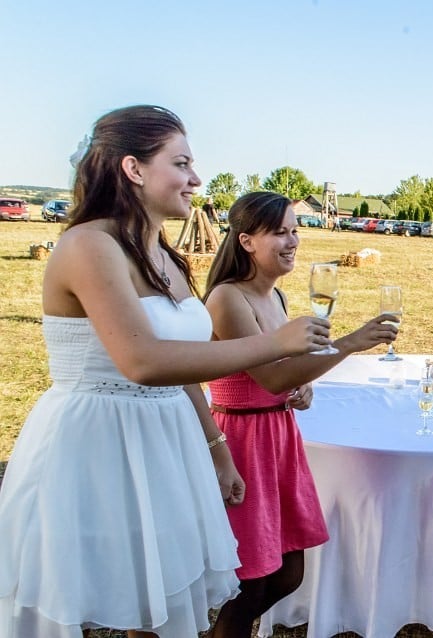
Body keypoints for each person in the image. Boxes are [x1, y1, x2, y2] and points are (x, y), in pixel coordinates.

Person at [0, 105, 330, 638]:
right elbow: (144, 361)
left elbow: (183, 368)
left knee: (157, 598)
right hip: (96, 440)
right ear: (134, 169)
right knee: (82, 597)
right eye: (181, 163)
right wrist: (273, 343)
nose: (196, 179)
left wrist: (216, 448)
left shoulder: (167, 257)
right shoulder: (89, 245)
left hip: (166, 437)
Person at [203, 191, 398, 637]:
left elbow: (283, 376)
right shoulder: (228, 299)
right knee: (251, 582)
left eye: (295, 230)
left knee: (289, 573)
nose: (292, 241)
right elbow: (270, 378)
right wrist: (349, 343)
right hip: (242, 441)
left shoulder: (280, 299)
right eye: (280, 232)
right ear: (247, 241)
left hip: (278, 435)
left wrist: (302, 385)